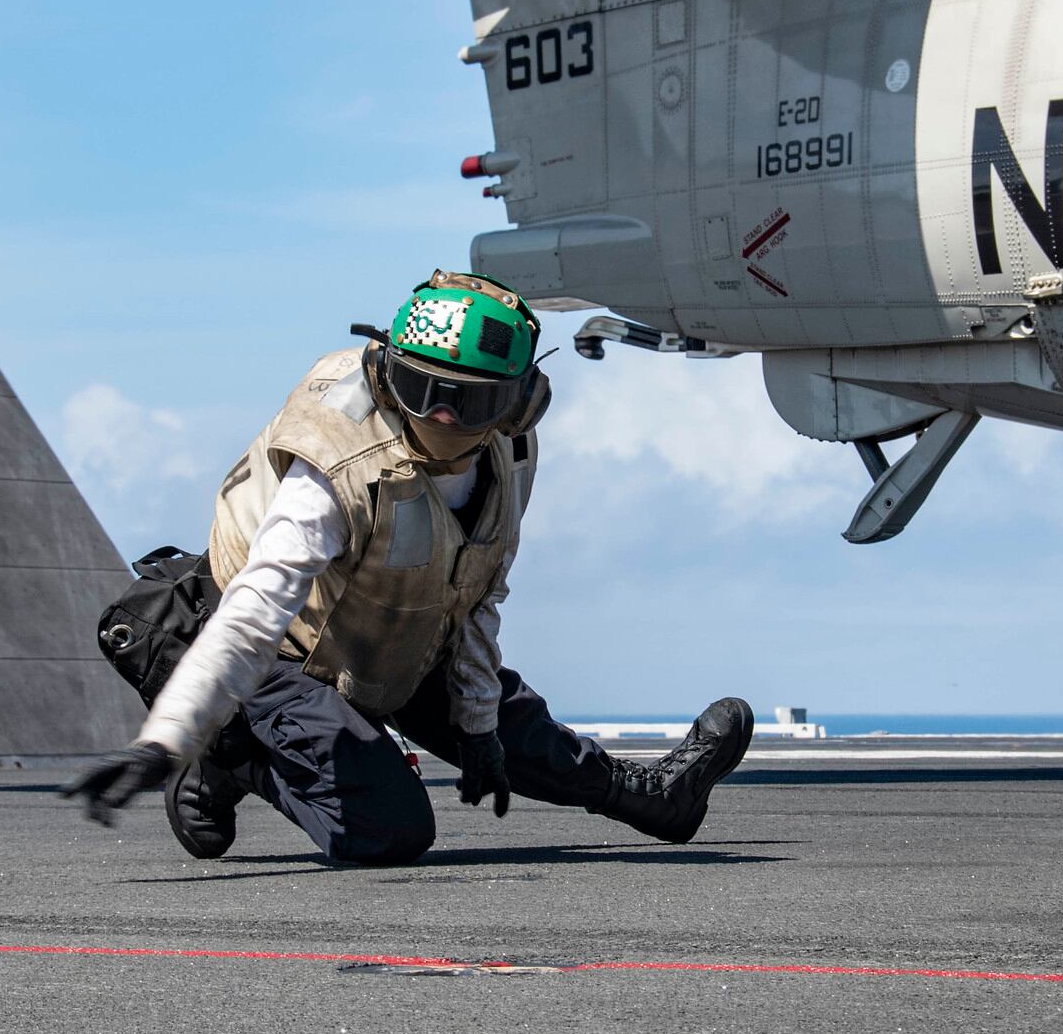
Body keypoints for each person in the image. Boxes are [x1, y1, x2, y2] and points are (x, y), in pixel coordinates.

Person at [61, 270, 753, 865]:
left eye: (472, 401)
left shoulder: (507, 451)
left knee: (520, 734)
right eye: (426, 391)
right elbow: (252, 615)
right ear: (386, 375)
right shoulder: (333, 467)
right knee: (388, 830)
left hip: (388, 627)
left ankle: (656, 803)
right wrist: (165, 740)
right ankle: (224, 757)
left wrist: (479, 727)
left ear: (517, 402)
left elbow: (480, 588)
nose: (446, 418)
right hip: (277, 651)